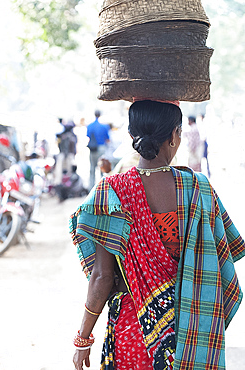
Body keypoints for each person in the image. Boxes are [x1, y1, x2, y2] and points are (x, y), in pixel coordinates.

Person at [70, 100, 245, 370]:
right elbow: (222, 261)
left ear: (131, 137)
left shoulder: (110, 193)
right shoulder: (199, 189)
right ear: (175, 136)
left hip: (133, 329)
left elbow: (102, 277)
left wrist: (83, 338)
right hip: (190, 330)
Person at [87, 110, 110, 190]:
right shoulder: (104, 126)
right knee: (102, 168)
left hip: (93, 149)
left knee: (92, 168)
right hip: (101, 148)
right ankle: (102, 187)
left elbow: (88, 136)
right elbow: (107, 139)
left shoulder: (90, 126)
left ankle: (91, 188)